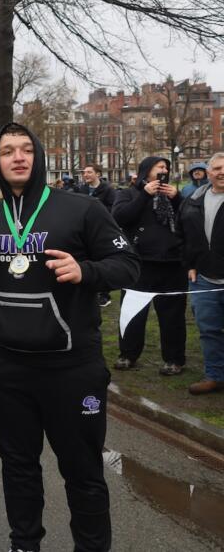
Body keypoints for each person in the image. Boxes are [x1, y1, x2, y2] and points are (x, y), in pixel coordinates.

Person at [0, 123, 139, 552]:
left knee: (82, 471)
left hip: (70, 367)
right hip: (7, 367)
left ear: (39, 157)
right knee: (18, 467)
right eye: (8, 150)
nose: (18, 157)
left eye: (27, 149)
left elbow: (128, 265)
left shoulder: (81, 208)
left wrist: (87, 271)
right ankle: (24, 544)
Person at [111, 157, 186, 375]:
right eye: (160, 167)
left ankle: (173, 359)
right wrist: (144, 195)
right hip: (139, 264)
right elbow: (119, 218)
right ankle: (128, 354)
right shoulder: (129, 193)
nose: (165, 170)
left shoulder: (174, 194)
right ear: (146, 170)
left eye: (167, 168)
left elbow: (189, 220)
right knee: (133, 312)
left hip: (172, 263)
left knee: (172, 317)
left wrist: (177, 199)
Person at [179, 152, 224, 395]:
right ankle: (215, 375)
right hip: (204, 279)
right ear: (208, 173)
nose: (222, 172)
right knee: (208, 329)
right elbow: (183, 235)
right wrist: (190, 264)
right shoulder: (193, 199)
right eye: (217, 168)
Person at [76, 164, 116, 307]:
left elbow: (113, 208)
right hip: (83, 229)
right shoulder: (81, 189)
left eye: (89, 172)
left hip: (101, 230)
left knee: (102, 261)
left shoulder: (108, 190)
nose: (85, 175)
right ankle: (87, 291)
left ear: (98, 174)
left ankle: (104, 295)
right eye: (84, 172)